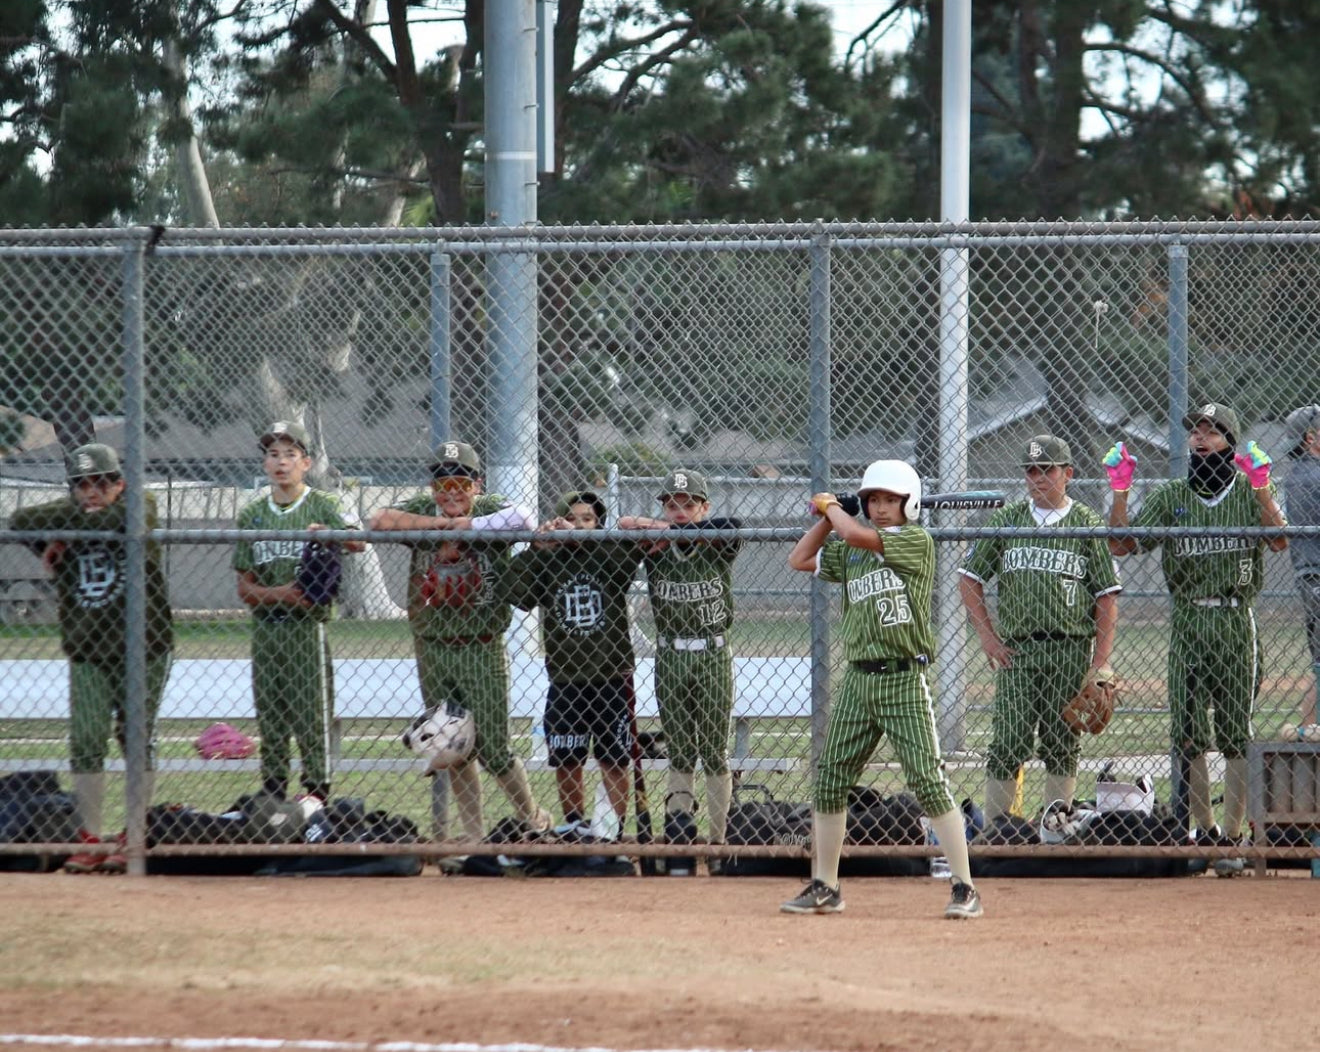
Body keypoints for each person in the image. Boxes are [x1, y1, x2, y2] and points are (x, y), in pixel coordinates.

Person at [780, 460, 982, 919]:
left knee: (928, 780)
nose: (881, 508)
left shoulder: (915, 541)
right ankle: (825, 885)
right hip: (858, 678)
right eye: (873, 500)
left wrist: (835, 509)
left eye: (890, 500)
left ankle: (965, 888)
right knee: (831, 779)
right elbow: (800, 560)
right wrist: (827, 518)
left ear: (908, 503)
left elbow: (856, 535)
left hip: (903, 677)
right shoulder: (851, 547)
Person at [1104, 402, 1287, 862]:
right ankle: (1204, 832)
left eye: (1212, 431)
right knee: (1188, 731)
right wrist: (1120, 492)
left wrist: (1264, 489)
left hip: (1233, 616)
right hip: (1187, 618)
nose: (1200, 438)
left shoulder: (1247, 490)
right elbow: (1123, 545)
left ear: (1230, 441)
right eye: (1196, 431)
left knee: (1235, 731)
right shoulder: (1171, 496)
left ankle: (1231, 836)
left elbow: (1280, 539)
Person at [368, 439, 547, 840]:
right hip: (433, 646)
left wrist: (469, 526)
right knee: (455, 746)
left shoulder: (489, 508)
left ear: (476, 486)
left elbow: (525, 517)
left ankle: (532, 819)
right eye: (443, 485)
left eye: (461, 485)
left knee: (495, 751)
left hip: (481, 645)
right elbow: (378, 519)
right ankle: (473, 837)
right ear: (433, 489)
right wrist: (439, 525)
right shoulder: (423, 510)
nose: (452, 494)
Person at [8, 443, 174, 874]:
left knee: (134, 737)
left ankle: (133, 832)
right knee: (85, 740)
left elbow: (130, 518)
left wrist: (69, 529)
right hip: (88, 648)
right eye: (82, 485)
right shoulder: (71, 513)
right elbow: (20, 520)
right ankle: (89, 837)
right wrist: (71, 528)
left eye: (101, 483)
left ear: (120, 482)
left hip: (144, 647)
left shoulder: (143, 503)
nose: (91, 492)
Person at [959, 435, 1121, 819]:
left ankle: (1055, 825)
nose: (1037, 478)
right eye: (1030, 470)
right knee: (1008, 741)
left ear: (1068, 473)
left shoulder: (1086, 523)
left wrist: (1100, 662)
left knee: (1062, 741)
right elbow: (969, 578)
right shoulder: (1007, 519)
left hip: (1069, 648)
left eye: (1046, 469)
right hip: (1018, 651)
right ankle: (999, 832)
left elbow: (1106, 597)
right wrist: (987, 637)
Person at [234, 421, 365, 805]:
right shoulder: (253, 513)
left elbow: (358, 540)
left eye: (290, 454)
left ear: (305, 463)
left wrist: (329, 533)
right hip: (266, 632)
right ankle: (273, 790)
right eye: (273, 454)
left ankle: (317, 792)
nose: (281, 462)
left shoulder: (323, 503)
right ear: (264, 464)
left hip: (307, 630)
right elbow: (245, 587)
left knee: (312, 716)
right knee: (270, 716)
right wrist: (283, 594)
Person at [619, 469, 741, 874]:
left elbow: (733, 528)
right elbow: (624, 523)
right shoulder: (657, 543)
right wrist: (664, 529)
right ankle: (681, 837)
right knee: (681, 750)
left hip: (712, 652)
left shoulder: (715, 541)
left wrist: (682, 529)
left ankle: (719, 843)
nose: (680, 511)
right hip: (670, 654)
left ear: (704, 507)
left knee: (714, 750)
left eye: (689, 504)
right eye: (672, 504)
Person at [504, 489, 643, 833]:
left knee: (613, 759)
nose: (579, 525)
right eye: (572, 518)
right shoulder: (548, 559)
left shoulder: (608, 552)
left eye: (588, 519)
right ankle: (575, 825)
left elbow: (627, 556)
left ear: (599, 524)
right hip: (565, 678)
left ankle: (610, 830)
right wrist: (537, 548)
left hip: (611, 675)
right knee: (567, 758)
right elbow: (513, 591)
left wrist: (590, 539)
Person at [1283, 404, 1320, 727]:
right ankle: (1308, 729)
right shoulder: (1311, 475)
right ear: (1311, 437)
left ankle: (1308, 728)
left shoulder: (1302, 473)